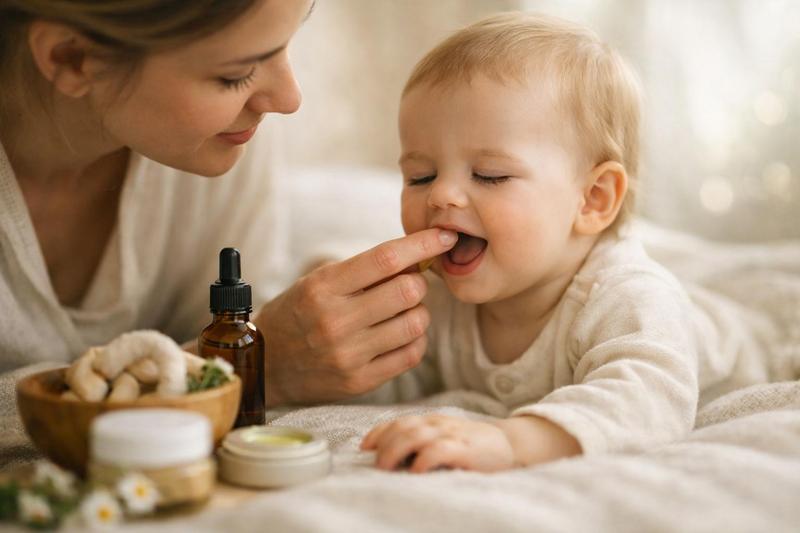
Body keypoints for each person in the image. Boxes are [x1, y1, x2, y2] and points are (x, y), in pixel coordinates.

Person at [359, 12, 775, 473]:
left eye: (489, 175)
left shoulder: (625, 297)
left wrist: (511, 440)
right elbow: (401, 371)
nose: (441, 195)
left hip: (766, 349)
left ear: (593, 199)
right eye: (420, 176)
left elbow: (648, 401)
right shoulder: (441, 299)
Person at [0, 0, 458, 405]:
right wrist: (251, 369)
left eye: (285, 45)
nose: (289, 99)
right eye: (235, 75)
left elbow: (233, 319)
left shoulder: (223, 139)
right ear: (72, 58)